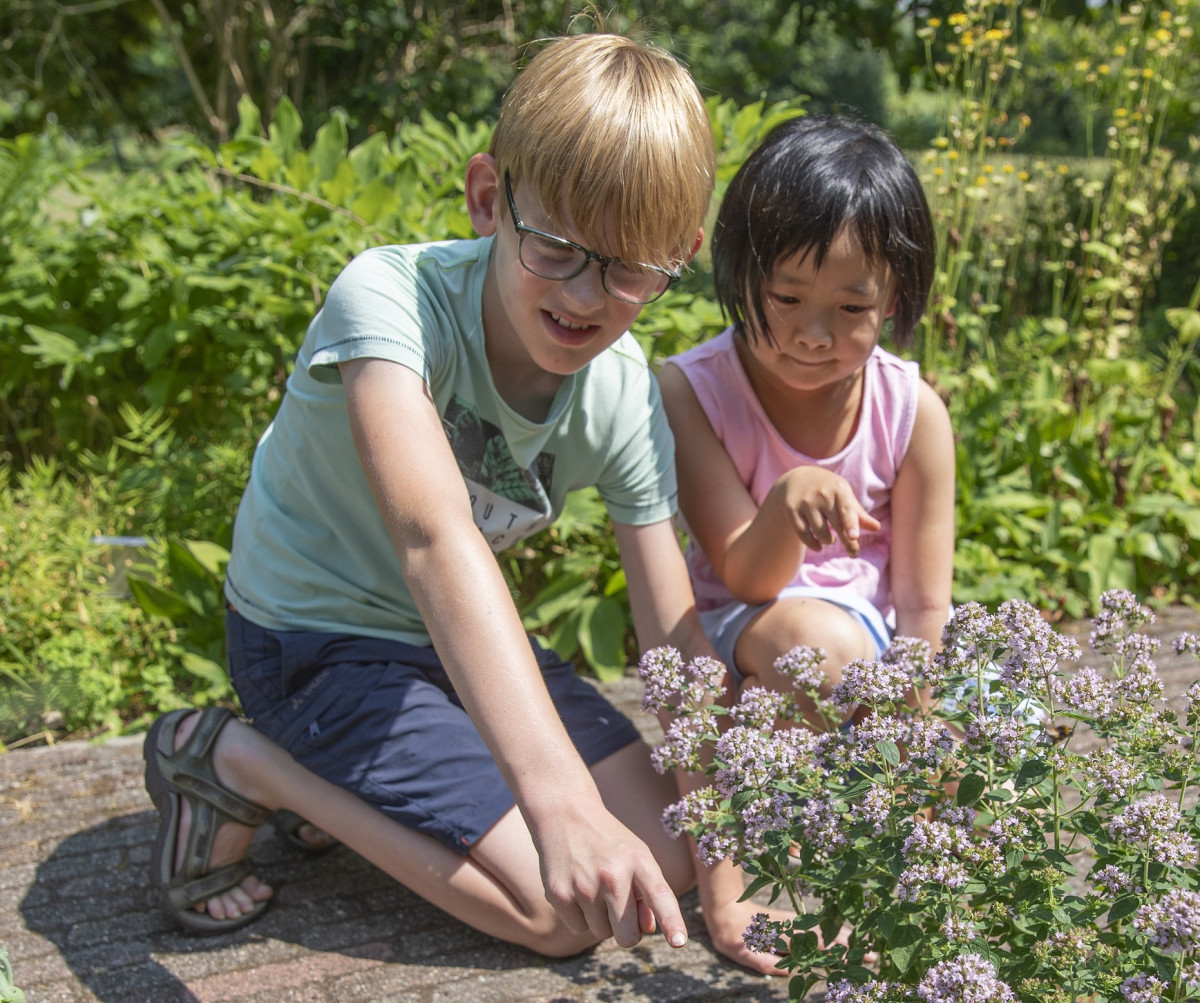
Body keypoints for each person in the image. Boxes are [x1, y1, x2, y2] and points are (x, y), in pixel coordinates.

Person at [141, 30, 769, 968]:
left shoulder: (623, 387)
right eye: (557, 247)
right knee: (568, 911)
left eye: (632, 269)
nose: (587, 297)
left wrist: (729, 888)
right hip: (313, 640)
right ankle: (241, 759)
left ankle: (360, 795)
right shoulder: (390, 303)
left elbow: (672, 633)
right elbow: (435, 539)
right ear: (488, 199)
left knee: (664, 851)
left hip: (454, 642)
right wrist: (557, 804)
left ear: (677, 257)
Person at [658, 113, 955, 941]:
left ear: (895, 298)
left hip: (867, 650)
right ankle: (791, 829)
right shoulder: (691, 392)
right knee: (812, 650)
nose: (812, 333)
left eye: (852, 306)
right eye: (787, 296)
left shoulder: (913, 411)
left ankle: (824, 812)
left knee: (993, 739)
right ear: (741, 269)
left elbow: (924, 607)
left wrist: (916, 752)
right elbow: (747, 576)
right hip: (739, 623)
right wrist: (787, 500)